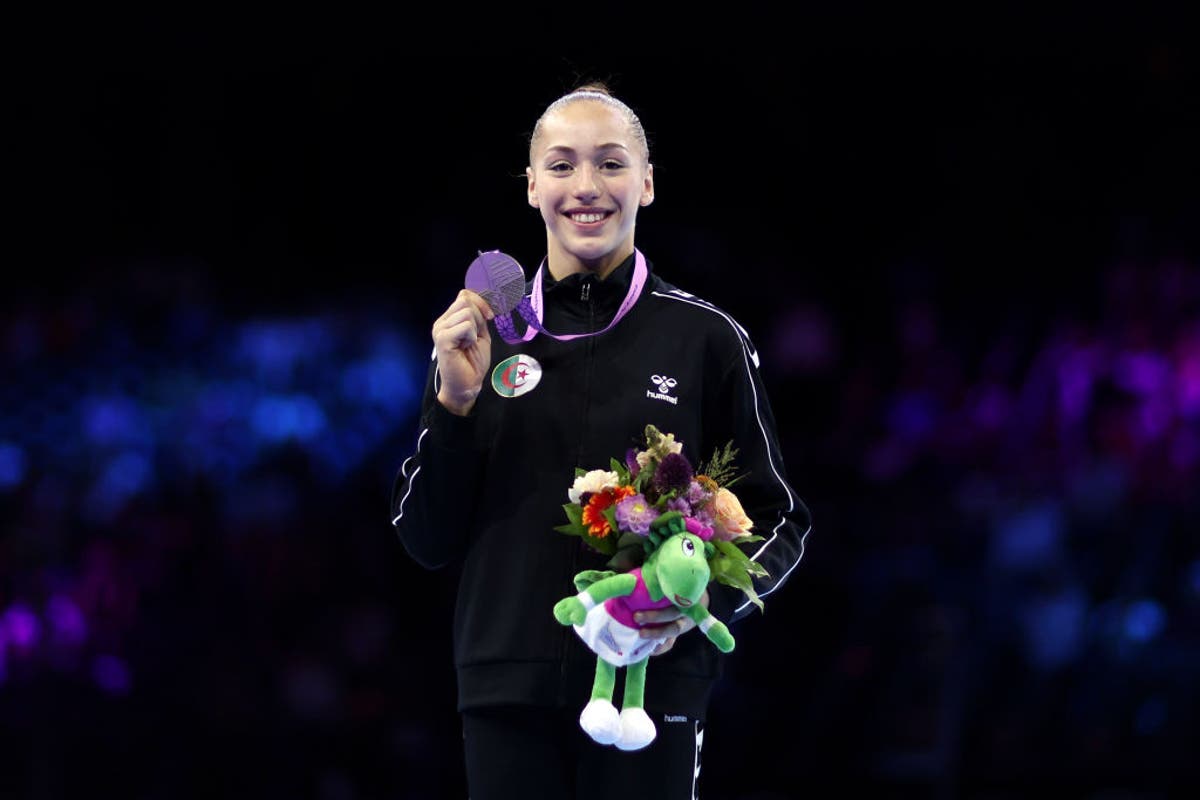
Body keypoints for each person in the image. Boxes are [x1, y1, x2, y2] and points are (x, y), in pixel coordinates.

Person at [391, 82, 812, 800]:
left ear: (647, 183)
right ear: (530, 186)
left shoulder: (705, 338)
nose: (586, 186)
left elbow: (780, 521)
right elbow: (426, 538)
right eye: (561, 165)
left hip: (650, 695)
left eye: (611, 163)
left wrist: (692, 601)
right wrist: (453, 405)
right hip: (506, 688)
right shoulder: (479, 336)